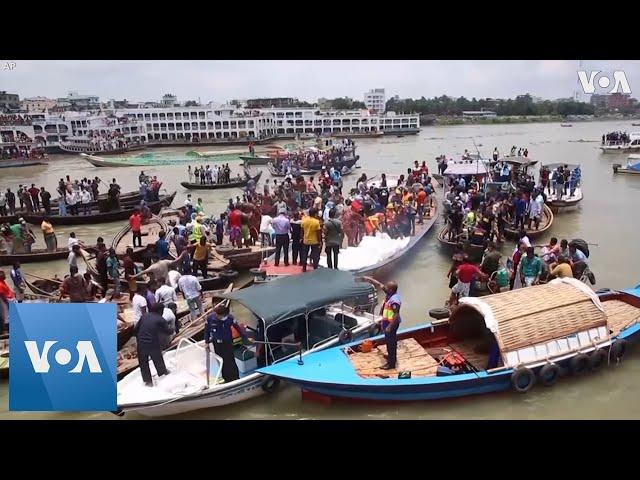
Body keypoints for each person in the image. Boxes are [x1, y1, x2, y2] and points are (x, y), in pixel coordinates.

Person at [205, 303, 250, 383]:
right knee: (221, 361)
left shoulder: (230, 318)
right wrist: (206, 342)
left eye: (222, 316)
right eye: (218, 315)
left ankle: (235, 378)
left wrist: (245, 337)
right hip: (217, 343)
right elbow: (207, 330)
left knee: (230, 361)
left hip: (227, 342)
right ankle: (226, 379)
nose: (219, 317)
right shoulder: (210, 318)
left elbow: (238, 328)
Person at [135, 302, 172, 387]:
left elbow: (136, 329)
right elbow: (168, 331)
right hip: (152, 342)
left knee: (143, 362)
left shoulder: (144, 316)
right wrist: (172, 328)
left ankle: (148, 381)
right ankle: (162, 373)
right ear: (160, 310)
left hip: (141, 343)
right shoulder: (160, 319)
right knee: (157, 358)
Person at [300, 207, 322, 272]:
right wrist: (320, 241)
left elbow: (302, 230)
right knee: (315, 255)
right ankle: (315, 267)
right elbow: (318, 233)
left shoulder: (304, 221)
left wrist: (301, 238)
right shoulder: (316, 222)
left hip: (306, 240)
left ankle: (304, 267)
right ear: (315, 214)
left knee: (305, 254)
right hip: (314, 241)